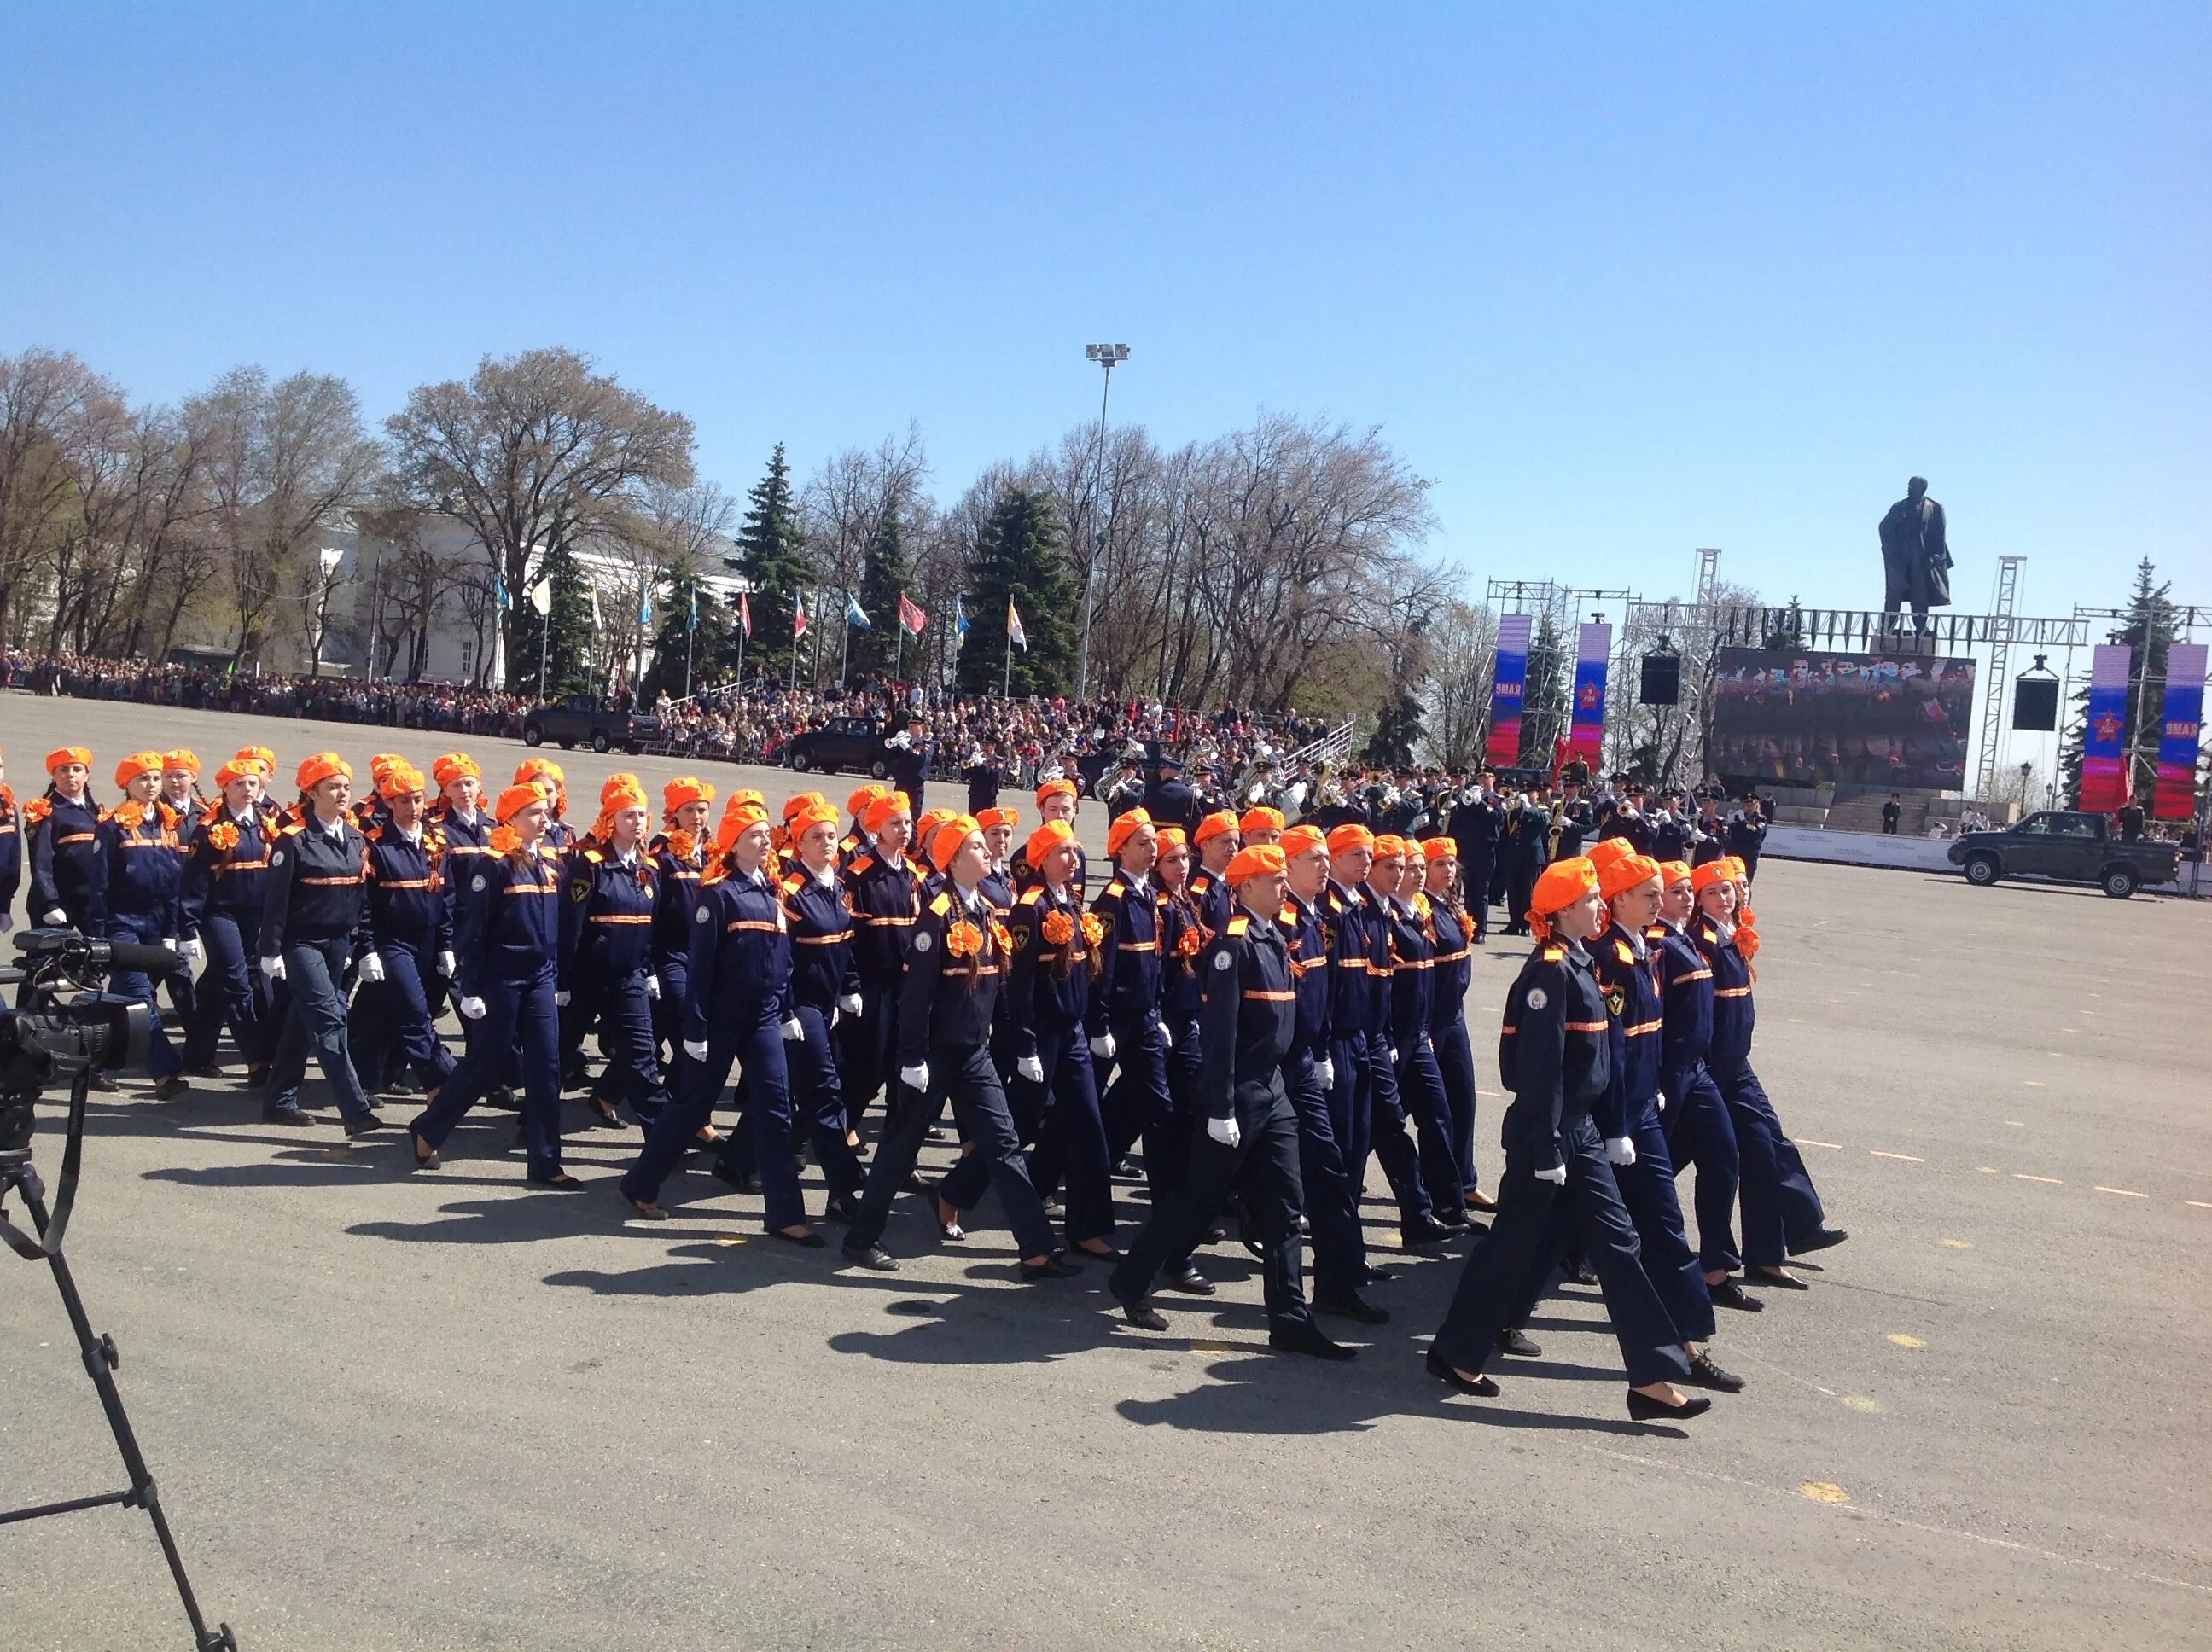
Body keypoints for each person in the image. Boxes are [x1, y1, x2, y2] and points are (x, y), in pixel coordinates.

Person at [1425, 857, 1708, 1420]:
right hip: (1547, 1134)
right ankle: (1455, 1351)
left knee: (1621, 1245)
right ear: (1562, 912)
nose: (1600, 907)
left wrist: (1611, 1126)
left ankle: (1650, 1378)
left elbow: (1600, 1056)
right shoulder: (1550, 972)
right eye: (1590, 902)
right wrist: (1548, 1141)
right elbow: (1538, 1068)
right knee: (1510, 1246)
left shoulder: (1579, 964)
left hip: (1580, 1129)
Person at [1111, 844, 1350, 1361]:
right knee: (1197, 1198)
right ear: (1244, 888)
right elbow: (1220, 1034)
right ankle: (1132, 1281)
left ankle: (1289, 1320)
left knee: (1287, 1206)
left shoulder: (1275, 936)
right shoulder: (1233, 945)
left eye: (1284, 878)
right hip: (1239, 1090)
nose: (1283, 885)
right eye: (1273, 879)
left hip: (1275, 1088)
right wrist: (1220, 1107)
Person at [842, 815, 1075, 1279]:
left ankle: (1037, 1248)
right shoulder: (937, 914)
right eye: (975, 848)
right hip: (935, 1053)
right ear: (952, 858)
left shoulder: (985, 908)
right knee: (898, 1147)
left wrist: (1017, 1043)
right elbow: (918, 995)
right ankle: (860, 1238)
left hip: (974, 1053)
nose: (987, 853)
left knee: (1004, 1144)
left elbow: (998, 987)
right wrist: (910, 1056)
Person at [620, 800, 821, 1240]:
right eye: (754, 835)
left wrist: (786, 1011)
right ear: (733, 844)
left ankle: (786, 1214)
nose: (765, 841)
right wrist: (694, 1028)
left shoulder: (772, 888)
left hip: (765, 1017)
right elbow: (701, 969)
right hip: (722, 1018)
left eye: (767, 834)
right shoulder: (718, 894)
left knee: (776, 1107)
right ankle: (641, 1182)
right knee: (692, 1103)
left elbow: (781, 958)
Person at [1585, 852, 1743, 1392]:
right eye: (1650, 894)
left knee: (1653, 1229)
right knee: (1536, 1235)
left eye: (1662, 893)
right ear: (1619, 898)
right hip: (1613, 1118)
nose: (1661, 902)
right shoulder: (1610, 958)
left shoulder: (1643, 950)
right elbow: (1609, 1051)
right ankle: (1473, 1333)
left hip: (1641, 1109)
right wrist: (1615, 1123)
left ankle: (1683, 1348)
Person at [407, 780, 577, 1185]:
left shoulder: (549, 862)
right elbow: (473, 932)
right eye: (532, 812)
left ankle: (546, 1163)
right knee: (487, 1063)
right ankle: (429, 1128)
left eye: (544, 811)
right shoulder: (494, 864)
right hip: (502, 978)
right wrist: (471, 988)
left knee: (546, 1068)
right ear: (511, 819)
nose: (543, 818)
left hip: (540, 977)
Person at [1693, 860, 1847, 1286]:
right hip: (1714, 1069)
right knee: (1675, 1159)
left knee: (1763, 1149)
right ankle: (1584, 1234)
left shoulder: (1731, 935)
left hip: (1736, 1065)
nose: (1727, 897)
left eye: (1731, 890)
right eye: (1715, 892)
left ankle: (1769, 1250)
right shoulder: (1704, 942)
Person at [987, 817, 1117, 1259]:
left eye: (1075, 850)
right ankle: (958, 1189)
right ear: (1042, 861)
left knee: (1087, 1122)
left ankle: (1087, 1226)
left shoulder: (1072, 904)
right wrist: (1024, 1045)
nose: (1073, 857)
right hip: (1042, 1032)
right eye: (1063, 851)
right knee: (1018, 1124)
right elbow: (1019, 985)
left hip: (1073, 1031)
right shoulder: (1031, 908)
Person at [1090, 810, 1207, 1290]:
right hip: (1116, 1021)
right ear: (1121, 849)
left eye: (1152, 842)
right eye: (1142, 843)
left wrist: (1156, 1014)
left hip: (1143, 1021)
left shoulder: (1148, 897)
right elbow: (1102, 967)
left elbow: (1154, 966)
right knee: (1085, 1114)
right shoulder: (1115, 900)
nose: (1152, 850)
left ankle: (1167, 1224)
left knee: (1156, 1114)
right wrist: (1099, 1023)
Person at [1276, 824, 1382, 1322]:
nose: (1324, 867)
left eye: (1325, 859)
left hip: (1311, 1057)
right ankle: (1151, 1264)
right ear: (1289, 865)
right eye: (1315, 859)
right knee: (1209, 1182)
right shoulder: (1281, 919)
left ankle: (1336, 1279)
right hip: (1276, 1065)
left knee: (1329, 1170)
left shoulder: (1321, 914)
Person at [258, 753, 381, 1136]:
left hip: (338, 945)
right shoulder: (292, 840)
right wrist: (270, 950)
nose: (342, 793)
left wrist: (365, 949)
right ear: (312, 793)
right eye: (333, 787)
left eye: (345, 786)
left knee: (302, 1022)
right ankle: (355, 1110)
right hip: (302, 944)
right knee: (330, 1019)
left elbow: (361, 901)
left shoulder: (356, 839)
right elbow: (276, 901)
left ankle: (279, 1099)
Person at [559, 775, 669, 1131]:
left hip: (630, 976)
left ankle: (662, 1137)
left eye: (641, 816)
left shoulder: (648, 868)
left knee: (643, 1052)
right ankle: (535, 1118)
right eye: (628, 816)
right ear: (611, 821)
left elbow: (649, 925)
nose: (637, 823)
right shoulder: (589, 864)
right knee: (561, 1049)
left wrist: (649, 969)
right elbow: (571, 926)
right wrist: (563, 979)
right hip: (589, 975)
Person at [776, 798, 867, 1224]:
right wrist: (788, 1009)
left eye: (831, 835)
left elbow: (846, 944)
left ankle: (737, 1160)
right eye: (817, 837)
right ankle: (845, 1190)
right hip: (803, 1007)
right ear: (800, 843)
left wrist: (849, 987)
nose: (828, 843)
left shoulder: (839, 885)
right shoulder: (791, 892)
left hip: (829, 1003)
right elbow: (781, 958)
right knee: (826, 1094)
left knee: (807, 1094)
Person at [348, 760, 456, 1103]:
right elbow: (364, 904)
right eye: (404, 801)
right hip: (392, 943)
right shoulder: (376, 845)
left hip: (426, 939)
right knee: (414, 1011)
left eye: (418, 800)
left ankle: (373, 1078)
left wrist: (446, 944)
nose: (413, 808)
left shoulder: (437, 841)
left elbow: (446, 896)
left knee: (375, 1013)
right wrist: (366, 949)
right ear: (389, 804)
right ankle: (440, 1081)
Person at [94, 752, 192, 1098]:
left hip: (155, 923)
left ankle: (98, 1063)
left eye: (155, 778)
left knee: (124, 998)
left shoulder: (168, 824)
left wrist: (171, 931)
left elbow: (172, 882)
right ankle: (165, 1072)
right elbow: (100, 884)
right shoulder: (112, 827)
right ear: (126, 785)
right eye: (143, 779)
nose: (151, 785)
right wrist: (98, 932)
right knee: (139, 997)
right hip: (122, 923)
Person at [180, 756, 276, 1080]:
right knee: (238, 982)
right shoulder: (209, 828)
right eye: (239, 784)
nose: (248, 789)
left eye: (252, 782)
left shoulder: (267, 824)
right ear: (224, 788)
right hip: (220, 913)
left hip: (255, 913)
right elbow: (194, 881)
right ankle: (257, 1058)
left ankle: (196, 1052)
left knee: (216, 984)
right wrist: (189, 927)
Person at [841, 789, 922, 1133]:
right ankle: (824, 1131)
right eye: (895, 823)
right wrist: (852, 984)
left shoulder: (911, 872)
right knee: (869, 1068)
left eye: (907, 823)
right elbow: (850, 935)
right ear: (878, 827)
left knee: (899, 1070)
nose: (904, 830)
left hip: (905, 983)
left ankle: (897, 1154)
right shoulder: (860, 873)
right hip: (874, 982)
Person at [1421, 837, 1493, 1214]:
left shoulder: (1448, 906)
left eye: (1451, 864)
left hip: (1456, 1017)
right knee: (1403, 1108)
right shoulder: (1421, 911)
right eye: (1439, 864)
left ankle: (1462, 1182)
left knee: (1462, 1101)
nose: (1448, 871)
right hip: (1431, 1021)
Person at [26, 746, 105, 934]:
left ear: (87, 775)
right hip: (59, 900)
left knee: (98, 957)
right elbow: (41, 861)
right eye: (63, 770)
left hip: (89, 900)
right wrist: (49, 903)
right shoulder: (45, 812)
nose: (70, 775)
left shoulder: (96, 812)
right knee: (48, 959)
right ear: (54, 776)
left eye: (77, 769)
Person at [1877, 475, 1952, 620]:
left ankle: (1921, 628)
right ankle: (1888, 627)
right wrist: (1891, 550)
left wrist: (1936, 556)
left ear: (1922, 489)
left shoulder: (1934, 509)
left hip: (1921, 559)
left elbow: (1940, 536)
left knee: (1920, 595)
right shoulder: (1898, 508)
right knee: (1894, 593)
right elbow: (1884, 528)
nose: (1909, 489)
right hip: (1900, 558)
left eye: (1912, 486)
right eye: (1909, 486)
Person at [1186, 811, 1241, 934]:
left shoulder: (1233, 884)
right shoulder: (1199, 893)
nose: (1233, 848)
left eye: (1236, 842)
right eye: (1225, 841)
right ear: (1205, 845)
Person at [1140, 753, 1202, 840]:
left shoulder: (1151, 789)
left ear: (1168, 770)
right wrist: (1186, 833)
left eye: (1162, 769)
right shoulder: (1189, 792)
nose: (1160, 773)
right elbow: (1196, 817)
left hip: (1155, 834)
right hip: (1177, 836)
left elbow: (1143, 812)